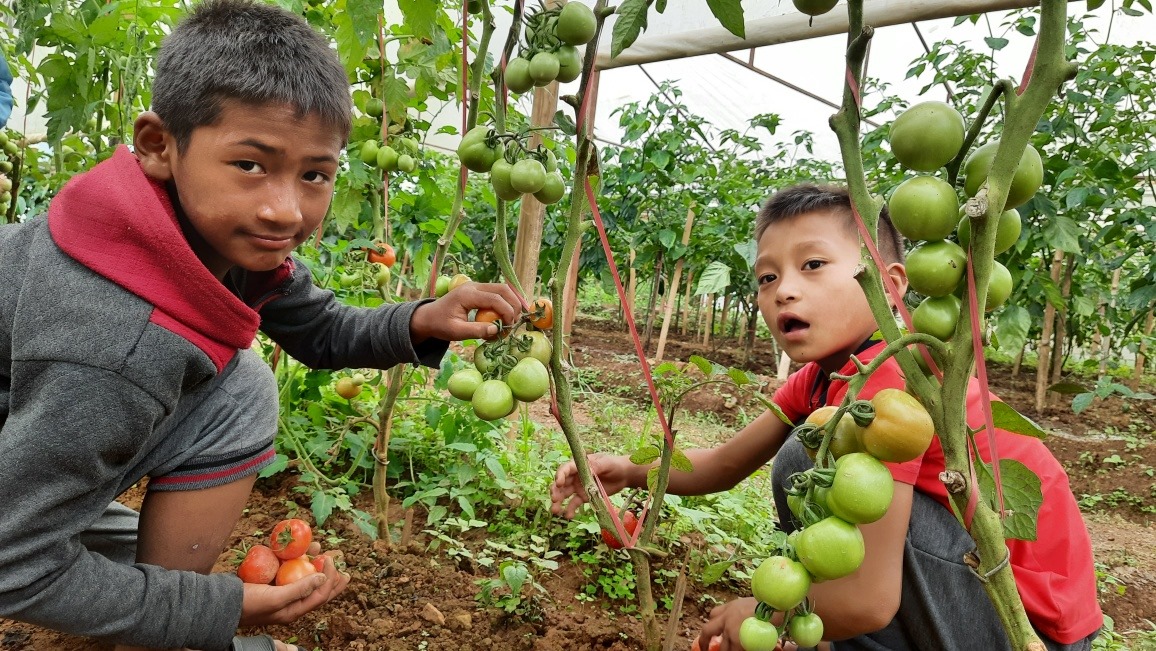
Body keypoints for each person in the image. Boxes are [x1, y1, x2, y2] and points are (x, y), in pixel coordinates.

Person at [0, 2, 521, 651]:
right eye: (251, 165)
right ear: (159, 145)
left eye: (315, 174)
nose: (285, 210)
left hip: (26, 443)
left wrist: (420, 318)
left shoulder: (205, 238)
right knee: (236, 391)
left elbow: (319, 328)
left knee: (237, 386)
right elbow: (12, 567)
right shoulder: (115, 337)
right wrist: (218, 608)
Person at [550, 184, 1101, 651]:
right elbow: (724, 463)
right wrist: (629, 470)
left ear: (890, 283)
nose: (783, 290)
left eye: (813, 265)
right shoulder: (826, 378)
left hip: (1025, 626)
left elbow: (869, 601)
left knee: (810, 452)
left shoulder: (896, 379)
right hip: (966, 587)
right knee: (815, 452)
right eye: (767, 278)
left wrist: (763, 613)